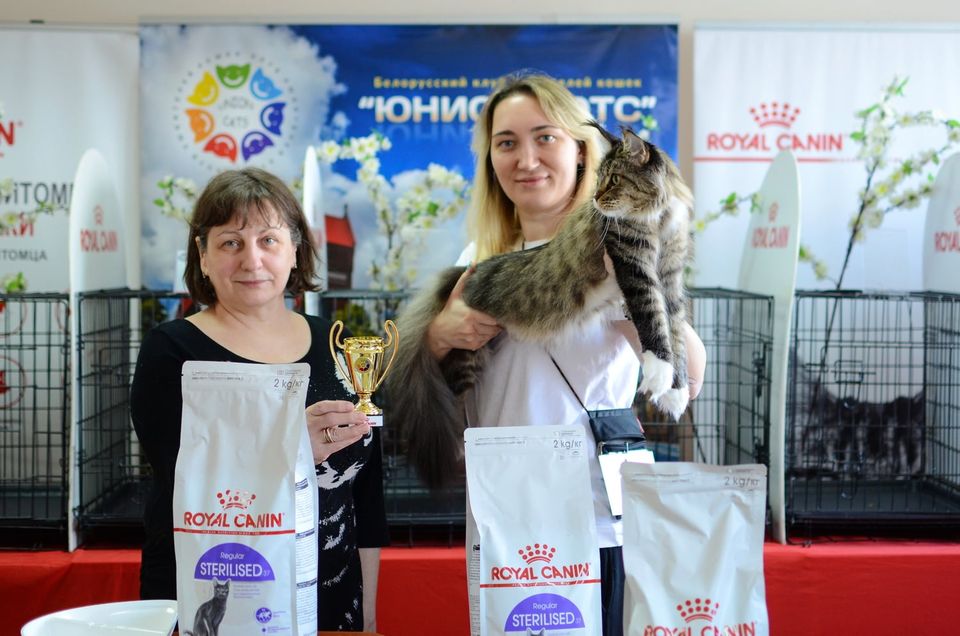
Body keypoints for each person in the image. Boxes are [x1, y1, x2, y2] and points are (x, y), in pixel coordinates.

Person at [421, 72, 707, 636]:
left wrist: (628, 295)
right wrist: (439, 336)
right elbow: (440, 394)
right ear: (491, 160)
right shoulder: (476, 257)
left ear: (580, 149)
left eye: (544, 137)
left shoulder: (614, 240)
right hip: (503, 513)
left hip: (595, 520)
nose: (526, 159)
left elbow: (689, 375)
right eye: (506, 142)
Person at [130, 167, 389, 632]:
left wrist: (367, 618)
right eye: (231, 242)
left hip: (330, 598)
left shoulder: (337, 346)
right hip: (217, 593)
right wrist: (293, 448)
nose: (252, 260)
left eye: (268, 240)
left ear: (295, 250)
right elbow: (184, 479)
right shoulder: (172, 352)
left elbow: (366, 498)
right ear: (202, 256)